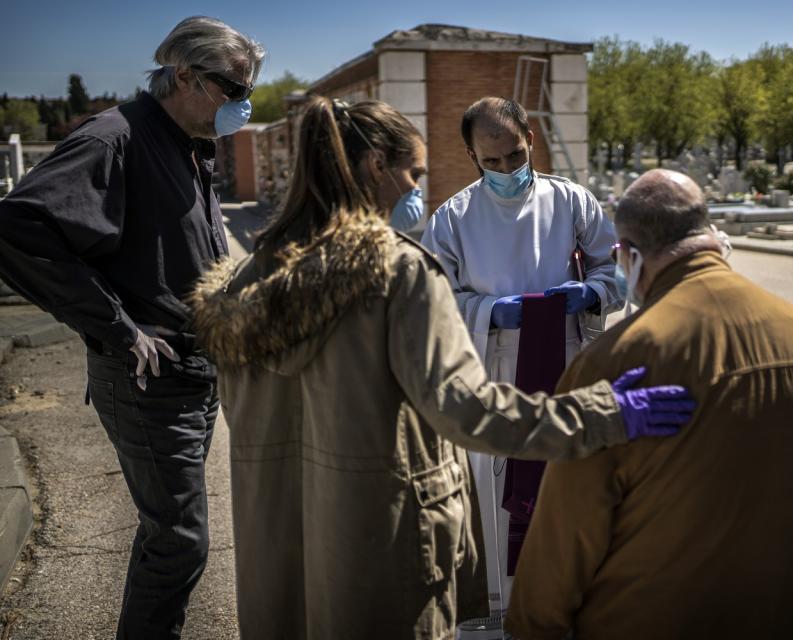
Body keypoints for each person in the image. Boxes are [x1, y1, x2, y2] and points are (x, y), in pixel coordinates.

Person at [189, 97, 695, 640]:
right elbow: (466, 409)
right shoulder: (396, 272)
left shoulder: (247, 282)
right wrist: (605, 413)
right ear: (377, 167)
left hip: (282, 548)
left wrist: (589, 295)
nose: (415, 190)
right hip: (377, 538)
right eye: (414, 173)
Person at [0, 17, 263, 639]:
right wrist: (118, 327)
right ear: (184, 75)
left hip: (193, 375)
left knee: (171, 537)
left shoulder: (188, 145)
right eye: (233, 88)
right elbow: (19, 230)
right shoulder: (115, 138)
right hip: (147, 378)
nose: (244, 105)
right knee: (180, 543)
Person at [505, 169, 793, 640]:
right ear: (711, 236)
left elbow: (564, 535)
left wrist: (530, 626)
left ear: (627, 256)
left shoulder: (616, 362)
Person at [421, 97, 621, 612]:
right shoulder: (452, 218)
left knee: (568, 482)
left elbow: (617, 270)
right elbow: (432, 302)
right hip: (491, 369)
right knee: (497, 493)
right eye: (492, 161)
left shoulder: (573, 200)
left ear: (531, 141)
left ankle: (568, 598)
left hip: (566, 362)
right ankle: (502, 603)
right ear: (471, 156)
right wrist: (489, 311)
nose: (506, 169)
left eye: (514, 155)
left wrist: (592, 293)